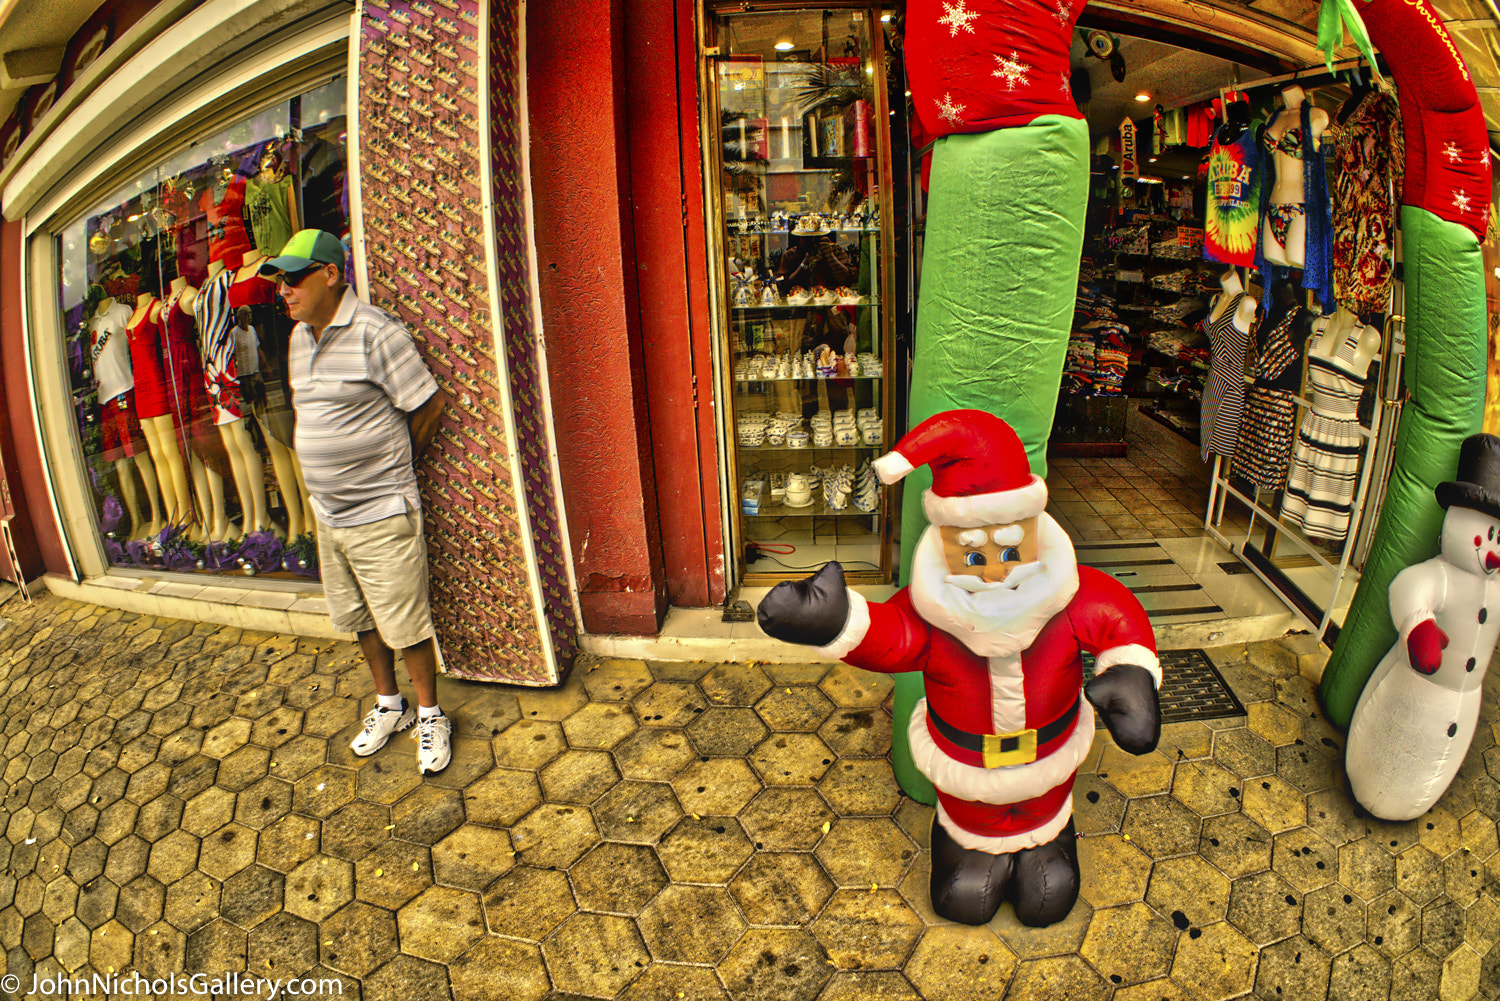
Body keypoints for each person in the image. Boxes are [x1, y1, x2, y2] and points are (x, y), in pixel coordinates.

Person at [758, 409, 1161, 927]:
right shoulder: (930, 611)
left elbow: (1116, 617)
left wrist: (1130, 675)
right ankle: (969, 849)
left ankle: (1050, 843)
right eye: (974, 549)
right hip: (965, 771)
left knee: (1049, 887)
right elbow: (891, 637)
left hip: (1051, 763)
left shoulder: (1071, 593)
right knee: (965, 890)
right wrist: (834, 622)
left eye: (1010, 541)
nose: (994, 565)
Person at [260, 229, 452, 774]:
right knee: (359, 616)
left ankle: (431, 713)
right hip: (330, 513)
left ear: (330, 274)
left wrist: (393, 468)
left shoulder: (375, 332)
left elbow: (430, 405)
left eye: (294, 278)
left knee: (405, 621)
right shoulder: (300, 338)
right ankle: (389, 705)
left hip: (381, 511)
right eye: (280, 280)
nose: (284, 290)